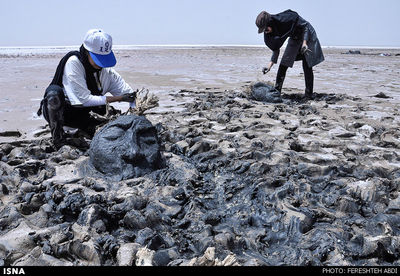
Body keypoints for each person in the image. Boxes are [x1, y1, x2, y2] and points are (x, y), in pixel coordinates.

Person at [37, 29, 137, 149]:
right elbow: (83, 100)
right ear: (87, 52)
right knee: (54, 94)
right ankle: (58, 139)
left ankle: (85, 130)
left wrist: (134, 109)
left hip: (86, 115)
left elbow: (129, 93)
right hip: (66, 113)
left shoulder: (106, 72)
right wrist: (119, 98)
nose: (100, 65)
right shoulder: (74, 63)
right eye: (97, 59)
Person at [256, 10, 325, 98]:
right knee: (283, 64)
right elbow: (275, 48)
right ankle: (277, 92)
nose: (265, 31)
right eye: (263, 30)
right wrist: (269, 66)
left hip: (307, 35)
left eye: (266, 29)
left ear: (270, 23)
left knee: (307, 64)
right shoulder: (270, 32)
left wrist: (304, 43)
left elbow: (306, 27)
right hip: (295, 38)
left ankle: (309, 94)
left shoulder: (287, 18)